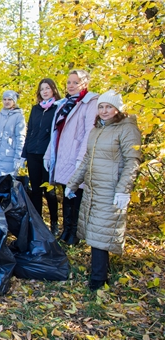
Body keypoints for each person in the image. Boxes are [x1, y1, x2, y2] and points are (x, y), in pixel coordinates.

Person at [65, 90, 141, 291]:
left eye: (109, 107)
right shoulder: (97, 130)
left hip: (111, 189)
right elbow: (87, 161)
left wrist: (123, 190)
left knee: (101, 233)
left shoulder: (127, 130)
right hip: (93, 188)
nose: (104, 110)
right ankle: (100, 272)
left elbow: (132, 162)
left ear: (118, 109)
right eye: (101, 107)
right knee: (96, 230)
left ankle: (98, 281)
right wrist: (72, 184)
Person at [44, 70, 99, 245]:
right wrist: (48, 155)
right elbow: (54, 132)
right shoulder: (64, 104)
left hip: (75, 156)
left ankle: (74, 233)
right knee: (66, 195)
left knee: (76, 195)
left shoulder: (90, 102)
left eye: (76, 82)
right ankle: (66, 231)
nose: (71, 85)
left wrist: (80, 158)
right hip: (62, 155)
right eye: (69, 82)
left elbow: (90, 131)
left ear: (85, 83)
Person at [21, 79, 61, 236]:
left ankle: (54, 223)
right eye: (42, 89)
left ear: (53, 90)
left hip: (48, 155)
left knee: (49, 191)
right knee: (36, 191)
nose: (45, 91)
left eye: (48, 88)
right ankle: (37, 224)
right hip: (33, 154)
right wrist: (24, 154)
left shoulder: (58, 108)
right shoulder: (35, 109)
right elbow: (30, 131)